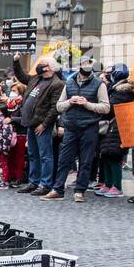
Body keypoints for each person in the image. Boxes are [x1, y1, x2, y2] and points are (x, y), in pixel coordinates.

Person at [43, 59, 108, 202]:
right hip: (71, 127)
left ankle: (80, 191)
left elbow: (105, 107)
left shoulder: (99, 84)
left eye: (90, 64)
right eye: (84, 64)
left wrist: (87, 104)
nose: (87, 66)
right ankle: (57, 189)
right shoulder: (70, 82)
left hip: (89, 127)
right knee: (64, 159)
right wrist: (70, 101)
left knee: (86, 161)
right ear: (79, 67)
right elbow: (59, 106)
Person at [12, 57, 63, 195]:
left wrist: (44, 124)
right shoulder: (36, 79)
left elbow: (54, 108)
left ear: (50, 67)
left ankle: (45, 184)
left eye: (42, 65)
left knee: (45, 156)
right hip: (30, 122)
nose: (39, 66)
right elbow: (22, 76)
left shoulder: (56, 84)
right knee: (33, 154)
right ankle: (33, 182)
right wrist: (16, 62)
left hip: (41, 125)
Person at [95, 65, 134, 199]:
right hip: (111, 126)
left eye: (109, 73)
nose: (107, 75)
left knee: (114, 156)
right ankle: (108, 184)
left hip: (118, 126)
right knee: (106, 155)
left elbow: (110, 107)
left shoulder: (122, 91)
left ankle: (117, 186)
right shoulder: (115, 89)